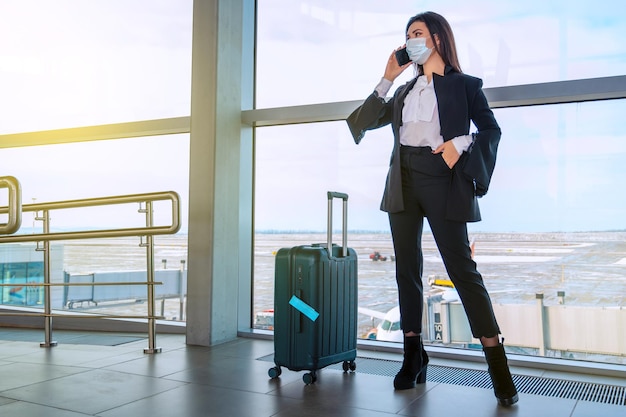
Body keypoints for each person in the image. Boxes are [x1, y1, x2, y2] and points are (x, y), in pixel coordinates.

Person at [346, 11, 518, 406]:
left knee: (462, 270)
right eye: (407, 36)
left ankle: (498, 367)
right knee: (406, 270)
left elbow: (490, 130)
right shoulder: (403, 92)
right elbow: (360, 122)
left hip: (442, 175)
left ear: (438, 38)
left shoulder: (465, 86)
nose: (411, 41)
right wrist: (389, 76)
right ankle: (412, 357)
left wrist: (460, 144)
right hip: (402, 178)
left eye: (418, 33)